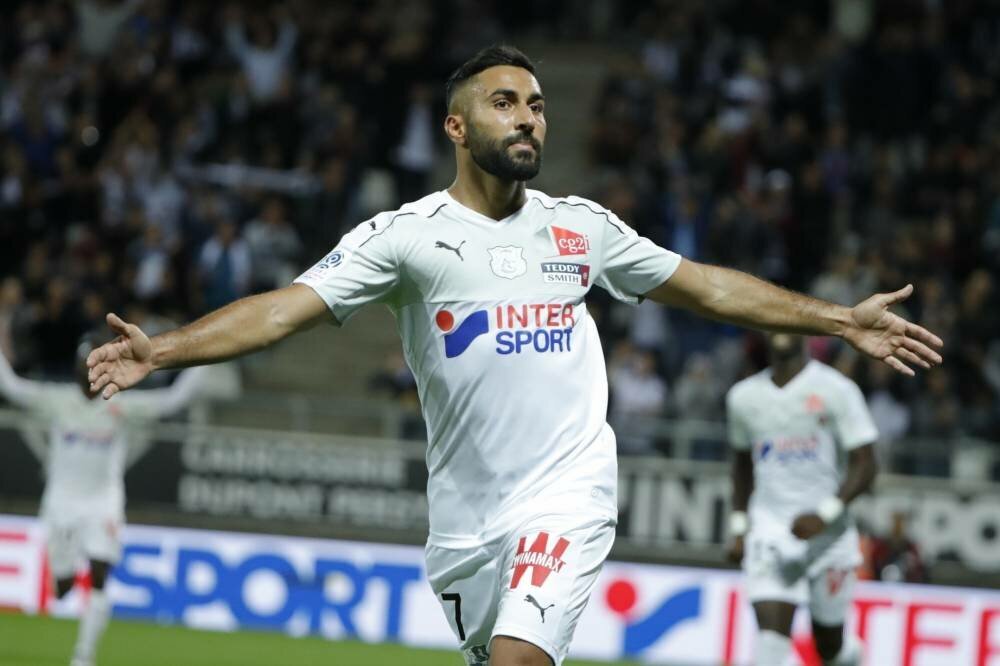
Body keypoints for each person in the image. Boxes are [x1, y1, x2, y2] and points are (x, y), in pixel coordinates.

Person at [87, 46, 943, 666]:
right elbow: (284, 310)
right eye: (505, 102)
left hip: (568, 494)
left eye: (535, 103)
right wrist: (164, 352)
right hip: (463, 525)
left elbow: (709, 289)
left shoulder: (581, 228)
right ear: (457, 127)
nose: (528, 116)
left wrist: (840, 320)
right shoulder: (406, 237)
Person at [0, 338, 208, 666]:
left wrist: (206, 357)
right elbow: (12, 387)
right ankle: (64, 576)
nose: (89, 375)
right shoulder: (56, 400)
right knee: (63, 589)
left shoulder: (120, 403)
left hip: (103, 500)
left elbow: (172, 400)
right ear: (75, 371)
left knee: (99, 574)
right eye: (84, 368)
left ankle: (84, 656)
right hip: (61, 502)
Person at [726, 334, 879, 666]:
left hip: (829, 538)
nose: (780, 329)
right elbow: (741, 466)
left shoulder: (836, 389)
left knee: (829, 649)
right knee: (770, 646)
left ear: (804, 330)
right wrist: (739, 527)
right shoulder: (743, 397)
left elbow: (866, 464)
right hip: (770, 530)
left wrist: (824, 515)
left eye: (789, 320)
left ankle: (851, 655)